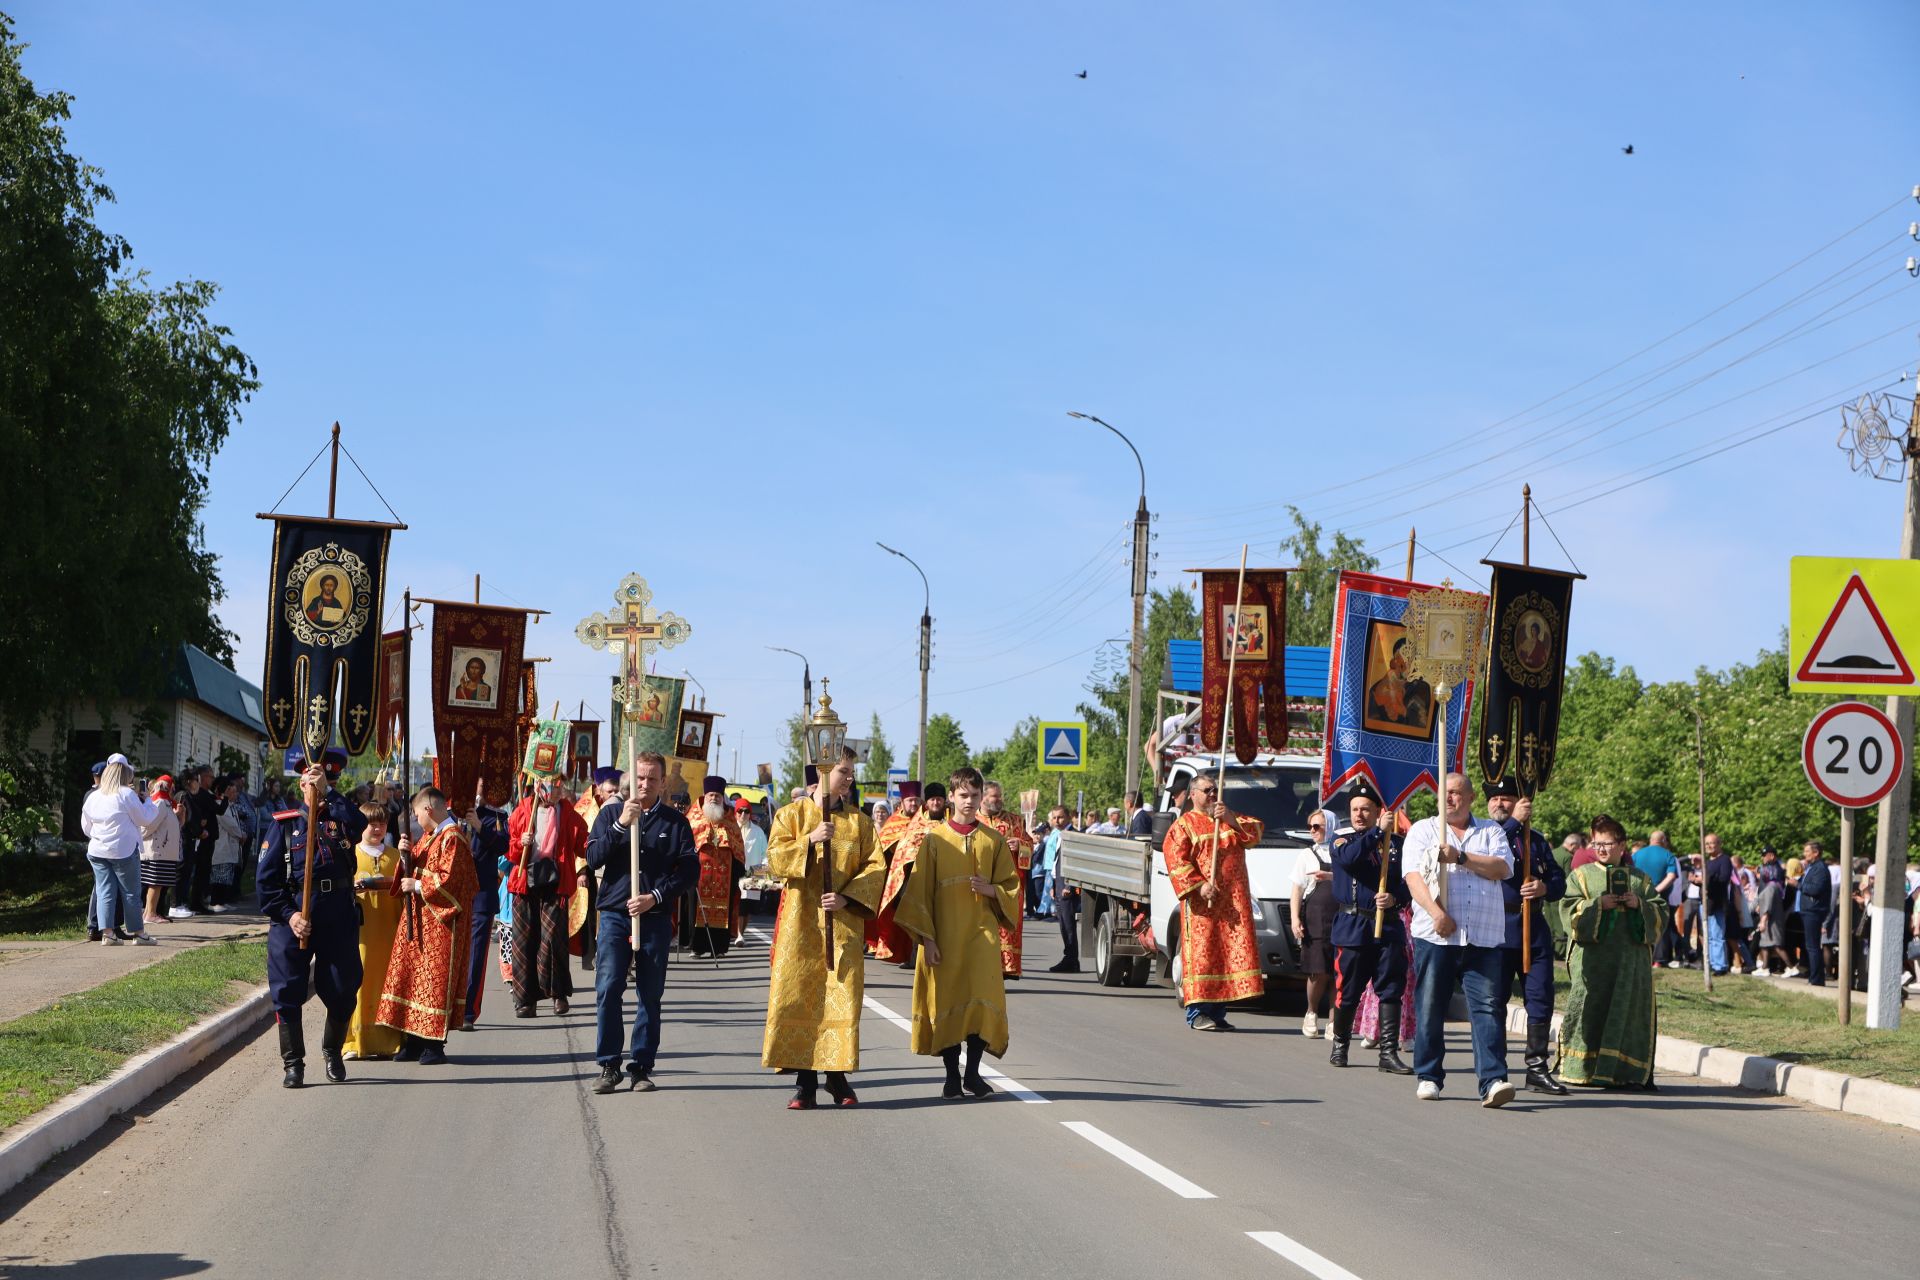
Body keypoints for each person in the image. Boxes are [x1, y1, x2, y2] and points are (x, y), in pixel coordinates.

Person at [763, 747, 886, 1108]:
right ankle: (805, 1082)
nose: (850, 778)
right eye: (844, 771)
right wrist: (810, 840)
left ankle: (837, 1077)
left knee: (841, 995)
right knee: (800, 993)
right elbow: (774, 859)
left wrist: (848, 898)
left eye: (851, 772)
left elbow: (875, 866)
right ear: (823, 770)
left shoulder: (860, 823)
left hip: (842, 926)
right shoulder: (792, 815)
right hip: (800, 924)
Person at [894, 767, 1020, 1099]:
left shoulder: (992, 841)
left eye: (975, 796)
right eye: (963, 795)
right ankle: (952, 1076)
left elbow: (1011, 887)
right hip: (945, 936)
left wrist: (991, 889)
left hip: (981, 935)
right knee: (947, 1003)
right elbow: (919, 894)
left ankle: (973, 1074)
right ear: (951, 797)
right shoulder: (934, 840)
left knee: (981, 1001)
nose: (969, 802)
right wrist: (928, 940)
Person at [584, 751, 698, 1094]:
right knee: (608, 989)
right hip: (616, 915)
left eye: (652, 778)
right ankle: (608, 1065)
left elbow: (690, 872)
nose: (645, 784)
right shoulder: (610, 815)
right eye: (640, 777)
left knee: (649, 993)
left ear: (663, 782)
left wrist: (656, 897)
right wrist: (621, 826)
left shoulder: (675, 823)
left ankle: (641, 1067)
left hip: (655, 917)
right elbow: (592, 858)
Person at [1403, 772, 1515, 1107]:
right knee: (1430, 1005)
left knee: (1487, 1008)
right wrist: (1437, 914)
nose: (1450, 798)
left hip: (1482, 935)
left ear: (1470, 798)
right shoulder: (1424, 830)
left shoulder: (1491, 831)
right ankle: (1428, 1075)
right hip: (1436, 935)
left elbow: (1501, 868)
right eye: (1445, 793)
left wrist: (1460, 858)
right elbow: (1413, 877)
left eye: (1456, 793)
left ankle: (1493, 1080)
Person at [258, 750, 366, 1087]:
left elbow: (361, 825)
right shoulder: (285, 824)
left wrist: (332, 794)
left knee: (344, 986)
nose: (317, 788)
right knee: (287, 988)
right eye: (313, 782)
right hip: (294, 916)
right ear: (301, 784)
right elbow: (266, 883)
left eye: (326, 782)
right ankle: (293, 1063)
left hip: (337, 914)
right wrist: (290, 917)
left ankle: (332, 1050)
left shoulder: (343, 819)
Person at [1561, 814, 1667, 1090]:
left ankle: (1626, 1073)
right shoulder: (1581, 877)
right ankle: (1582, 1068)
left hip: (1631, 963)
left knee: (1629, 1013)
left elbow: (1661, 913)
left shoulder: (1640, 880)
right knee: (1589, 1009)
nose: (1602, 849)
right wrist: (1598, 905)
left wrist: (1638, 904)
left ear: (1622, 845)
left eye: (1607, 843)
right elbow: (1569, 911)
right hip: (1593, 963)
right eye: (1597, 844)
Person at [374, 786, 478, 1064]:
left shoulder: (452, 838)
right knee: (413, 980)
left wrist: (418, 885)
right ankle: (414, 1041)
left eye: (417, 813)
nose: (416, 818)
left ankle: (434, 1045)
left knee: (435, 982)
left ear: (429, 810)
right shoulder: (429, 837)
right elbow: (408, 871)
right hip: (420, 921)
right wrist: (405, 853)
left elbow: (451, 882)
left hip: (443, 925)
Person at [1162, 772, 1265, 1031]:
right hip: (1202, 907)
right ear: (1193, 794)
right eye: (1207, 790)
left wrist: (1229, 818)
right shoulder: (1184, 826)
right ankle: (1197, 1012)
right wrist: (1199, 885)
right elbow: (1175, 859)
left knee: (1227, 955)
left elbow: (1255, 833)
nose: (1212, 795)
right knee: (1203, 957)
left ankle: (1218, 1011)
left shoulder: (1229, 820)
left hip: (1231, 904)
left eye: (1215, 790)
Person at [1487, 782, 1567, 1095]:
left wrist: (1544, 888)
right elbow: (1489, 854)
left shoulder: (1537, 840)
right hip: (1496, 929)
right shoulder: (1486, 834)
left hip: (1533, 929)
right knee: (1494, 1002)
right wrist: (1515, 822)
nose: (1499, 804)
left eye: (1505, 799)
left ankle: (1536, 1069)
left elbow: (1558, 880)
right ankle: (1495, 1071)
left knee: (1540, 998)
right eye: (1493, 798)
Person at [1327, 787, 1413, 1073]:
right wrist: (1376, 832)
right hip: (1353, 925)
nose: (1359, 815)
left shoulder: (1397, 844)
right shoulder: (1342, 840)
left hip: (1387, 924)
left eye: (1366, 809)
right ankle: (1340, 1045)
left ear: (1378, 811)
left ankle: (1387, 1053)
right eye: (1355, 809)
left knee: (1391, 989)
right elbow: (1351, 859)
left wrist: (1396, 898)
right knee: (1348, 990)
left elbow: (1408, 882)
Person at [506, 779, 585, 1015]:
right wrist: (521, 843)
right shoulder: (523, 810)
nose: (556, 791)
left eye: (559, 787)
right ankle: (525, 1000)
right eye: (552, 786)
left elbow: (584, 844)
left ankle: (558, 994)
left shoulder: (568, 812)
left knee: (553, 939)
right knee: (524, 941)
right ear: (540, 786)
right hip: (525, 881)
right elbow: (510, 849)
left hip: (555, 880)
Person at [344, 802, 405, 1060]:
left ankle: (389, 1040)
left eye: (382, 823)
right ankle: (354, 1042)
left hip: (390, 930)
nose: (377, 828)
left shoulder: (395, 855)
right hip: (362, 931)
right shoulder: (351, 855)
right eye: (372, 823)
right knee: (359, 984)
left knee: (388, 984)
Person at [82, 760, 161, 946]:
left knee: (104, 891)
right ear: (126, 777)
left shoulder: (94, 796)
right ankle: (138, 933)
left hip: (97, 850)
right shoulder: (126, 794)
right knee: (130, 893)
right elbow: (146, 818)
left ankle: (107, 934)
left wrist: (99, 835)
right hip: (123, 850)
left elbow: (85, 826)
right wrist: (148, 800)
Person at [874, 782, 941, 967]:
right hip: (905, 875)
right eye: (909, 800)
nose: (913, 804)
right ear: (902, 802)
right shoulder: (893, 823)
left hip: (931, 874)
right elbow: (885, 848)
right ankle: (907, 953)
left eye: (916, 800)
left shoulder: (925, 819)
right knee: (904, 911)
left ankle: (918, 954)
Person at [1289, 807, 1338, 1039]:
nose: (1312, 831)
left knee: (1338, 972)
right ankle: (1311, 1012)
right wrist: (1295, 918)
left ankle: (1334, 1020)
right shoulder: (1306, 855)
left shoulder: (1342, 852)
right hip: (1315, 919)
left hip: (1340, 917)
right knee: (1317, 971)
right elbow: (1297, 889)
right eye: (1310, 827)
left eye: (1317, 826)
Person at [682, 775, 744, 957]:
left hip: (725, 873)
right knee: (695, 907)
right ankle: (696, 946)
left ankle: (719, 948)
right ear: (704, 794)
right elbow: (687, 840)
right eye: (710, 795)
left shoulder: (730, 818)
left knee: (722, 908)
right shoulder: (694, 815)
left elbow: (738, 844)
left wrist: (737, 864)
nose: (714, 798)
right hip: (699, 872)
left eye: (717, 795)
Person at [979, 780, 1035, 979]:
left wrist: (1020, 845)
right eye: (995, 796)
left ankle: (1006, 968)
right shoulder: (973, 820)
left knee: (1006, 923)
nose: (999, 800)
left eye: (1000, 796)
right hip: (982, 881)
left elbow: (1030, 845)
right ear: (983, 797)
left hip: (1007, 883)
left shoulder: (1015, 821)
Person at [465, 783, 508, 1027]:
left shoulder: (497, 817)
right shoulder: (450, 814)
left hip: (481, 894)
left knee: (476, 955)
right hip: (452, 895)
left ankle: (468, 1011)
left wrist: (479, 827)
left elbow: (503, 846)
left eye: (481, 785)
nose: (477, 790)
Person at [1632, 829, 1681, 968]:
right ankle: (1658, 960)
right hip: (1659, 896)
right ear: (1664, 841)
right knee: (1660, 925)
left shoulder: (1637, 854)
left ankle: (1641, 957)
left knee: (1641, 923)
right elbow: (1671, 876)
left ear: (1650, 840)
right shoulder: (1668, 855)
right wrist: (1657, 890)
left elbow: (1629, 872)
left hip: (1639, 894)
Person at [138, 775, 182, 928]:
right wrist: (139, 836)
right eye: (171, 786)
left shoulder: (166, 804)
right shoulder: (161, 803)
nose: (173, 789)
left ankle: (149, 912)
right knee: (155, 883)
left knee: (159, 883)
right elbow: (149, 825)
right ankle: (150, 913)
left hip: (163, 851)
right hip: (158, 851)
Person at [177, 764, 219, 916]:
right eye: (196, 779)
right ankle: (178, 904)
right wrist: (200, 830)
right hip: (186, 838)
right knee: (183, 872)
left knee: (190, 872)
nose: (198, 782)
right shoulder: (184, 796)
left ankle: (187, 902)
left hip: (194, 839)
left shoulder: (192, 796)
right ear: (189, 781)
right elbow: (188, 819)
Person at [1041, 805, 1080, 972]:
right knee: (1063, 924)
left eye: (1061, 817)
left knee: (1068, 924)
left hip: (1066, 886)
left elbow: (1075, 863)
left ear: (1069, 817)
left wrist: (1068, 886)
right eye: (1054, 818)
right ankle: (1069, 957)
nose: (1057, 821)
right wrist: (1054, 885)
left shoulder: (1073, 835)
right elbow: (1057, 862)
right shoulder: (1059, 835)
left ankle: (1071, 960)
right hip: (1059, 884)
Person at [1797, 841, 1833, 987]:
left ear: (1816, 853)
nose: (1805, 854)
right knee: (1810, 945)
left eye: (1807, 851)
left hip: (1814, 910)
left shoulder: (1821, 869)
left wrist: (1799, 885)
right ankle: (1814, 977)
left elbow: (1815, 889)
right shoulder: (1812, 868)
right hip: (1808, 910)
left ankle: (1817, 978)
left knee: (1812, 946)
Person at [209, 775, 247, 911]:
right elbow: (230, 825)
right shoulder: (220, 805)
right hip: (221, 845)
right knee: (219, 875)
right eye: (231, 790)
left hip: (230, 846)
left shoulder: (230, 806)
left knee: (227, 876)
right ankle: (216, 902)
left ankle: (222, 901)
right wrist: (241, 834)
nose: (235, 794)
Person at [1751, 871, 1791, 975]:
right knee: (1764, 944)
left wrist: (1763, 921)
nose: (1758, 875)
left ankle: (1791, 967)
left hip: (1771, 922)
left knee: (1776, 945)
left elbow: (1768, 907)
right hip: (1769, 920)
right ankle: (1765, 968)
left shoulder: (1770, 888)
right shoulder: (1770, 887)